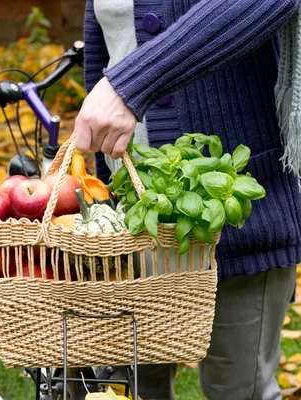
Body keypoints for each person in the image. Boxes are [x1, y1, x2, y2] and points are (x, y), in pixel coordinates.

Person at [78, 0, 301, 399]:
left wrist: (132, 83)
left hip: (238, 219)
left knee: (239, 391)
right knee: (128, 391)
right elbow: (105, 53)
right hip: (133, 225)